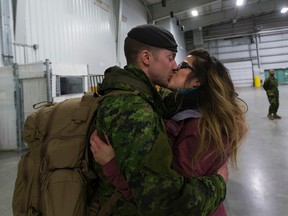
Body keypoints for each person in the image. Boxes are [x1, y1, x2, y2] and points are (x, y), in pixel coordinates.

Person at [89, 24, 227, 215]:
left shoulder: (141, 95)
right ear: (146, 58)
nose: (174, 65)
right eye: (170, 58)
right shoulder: (135, 110)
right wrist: (218, 184)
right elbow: (164, 202)